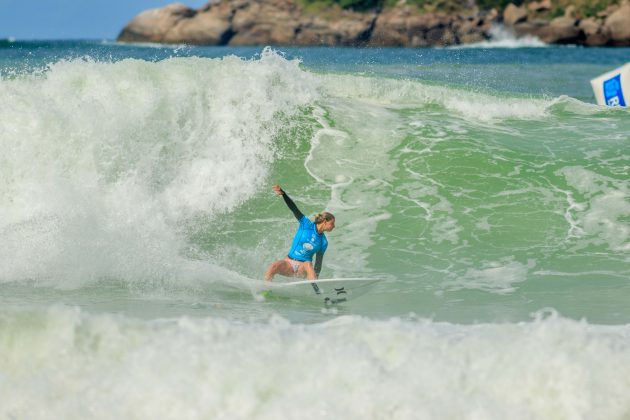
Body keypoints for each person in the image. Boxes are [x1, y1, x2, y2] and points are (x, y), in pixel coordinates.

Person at [264, 184, 335, 282]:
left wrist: (316, 277)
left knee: (308, 264)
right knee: (274, 266)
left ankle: (316, 289)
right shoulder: (306, 224)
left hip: (303, 269)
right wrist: (283, 194)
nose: (333, 226)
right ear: (325, 221)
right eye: (332, 223)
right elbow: (294, 208)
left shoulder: (323, 242)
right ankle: (265, 291)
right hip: (289, 263)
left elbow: (318, 263)